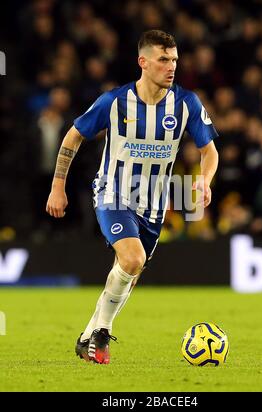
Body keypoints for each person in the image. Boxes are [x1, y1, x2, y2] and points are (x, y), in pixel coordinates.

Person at [46, 30, 219, 364]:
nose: (171, 67)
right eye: (163, 60)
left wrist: (205, 180)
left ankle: (87, 337)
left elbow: (209, 151)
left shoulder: (186, 104)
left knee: (128, 274)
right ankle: (101, 333)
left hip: (153, 206)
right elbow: (72, 137)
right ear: (143, 62)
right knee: (132, 259)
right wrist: (58, 185)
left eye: (175, 60)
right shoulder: (114, 101)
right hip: (113, 193)